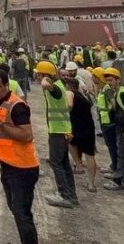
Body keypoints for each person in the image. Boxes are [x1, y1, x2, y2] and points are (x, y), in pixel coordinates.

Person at [0, 68, 40, 244]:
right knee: (15, 209)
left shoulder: (17, 106)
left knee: (22, 214)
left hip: (23, 167)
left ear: (7, 85)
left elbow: (26, 135)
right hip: (7, 165)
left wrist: (0, 124)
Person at [34, 61, 79, 208]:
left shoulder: (55, 88)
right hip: (62, 129)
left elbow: (47, 85)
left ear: (44, 75)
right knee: (64, 163)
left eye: (39, 74)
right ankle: (71, 195)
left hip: (58, 131)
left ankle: (64, 195)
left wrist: (46, 80)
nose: (36, 76)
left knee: (56, 163)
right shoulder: (60, 85)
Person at [103, 67, 124, 191]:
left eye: (111, 80)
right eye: (107, 81)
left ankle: (117, 180)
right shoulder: (117, 92)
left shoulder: (123, 93)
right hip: (122, 127)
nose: (109, 83)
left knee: (122, 155)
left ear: (118, 80)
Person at [64, 77, 99, 193]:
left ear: (68, 86)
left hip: (76, 127)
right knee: (90, 155)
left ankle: (78, 165)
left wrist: (64, 112)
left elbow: (69, 104)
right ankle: (91, 184)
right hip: (88, 127)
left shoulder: (69, 92)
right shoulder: (83, 95)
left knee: (69, 142)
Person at [93, 67, 118, 177]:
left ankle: (115, 167)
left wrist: (110, 113)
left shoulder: (107, 89)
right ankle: (113, 165)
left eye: (93, 76)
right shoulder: (103, 88)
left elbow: (114, 105)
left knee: (112, 146)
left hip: (109, 122)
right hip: (104, 121)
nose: (91, 78)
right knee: (110, 145)